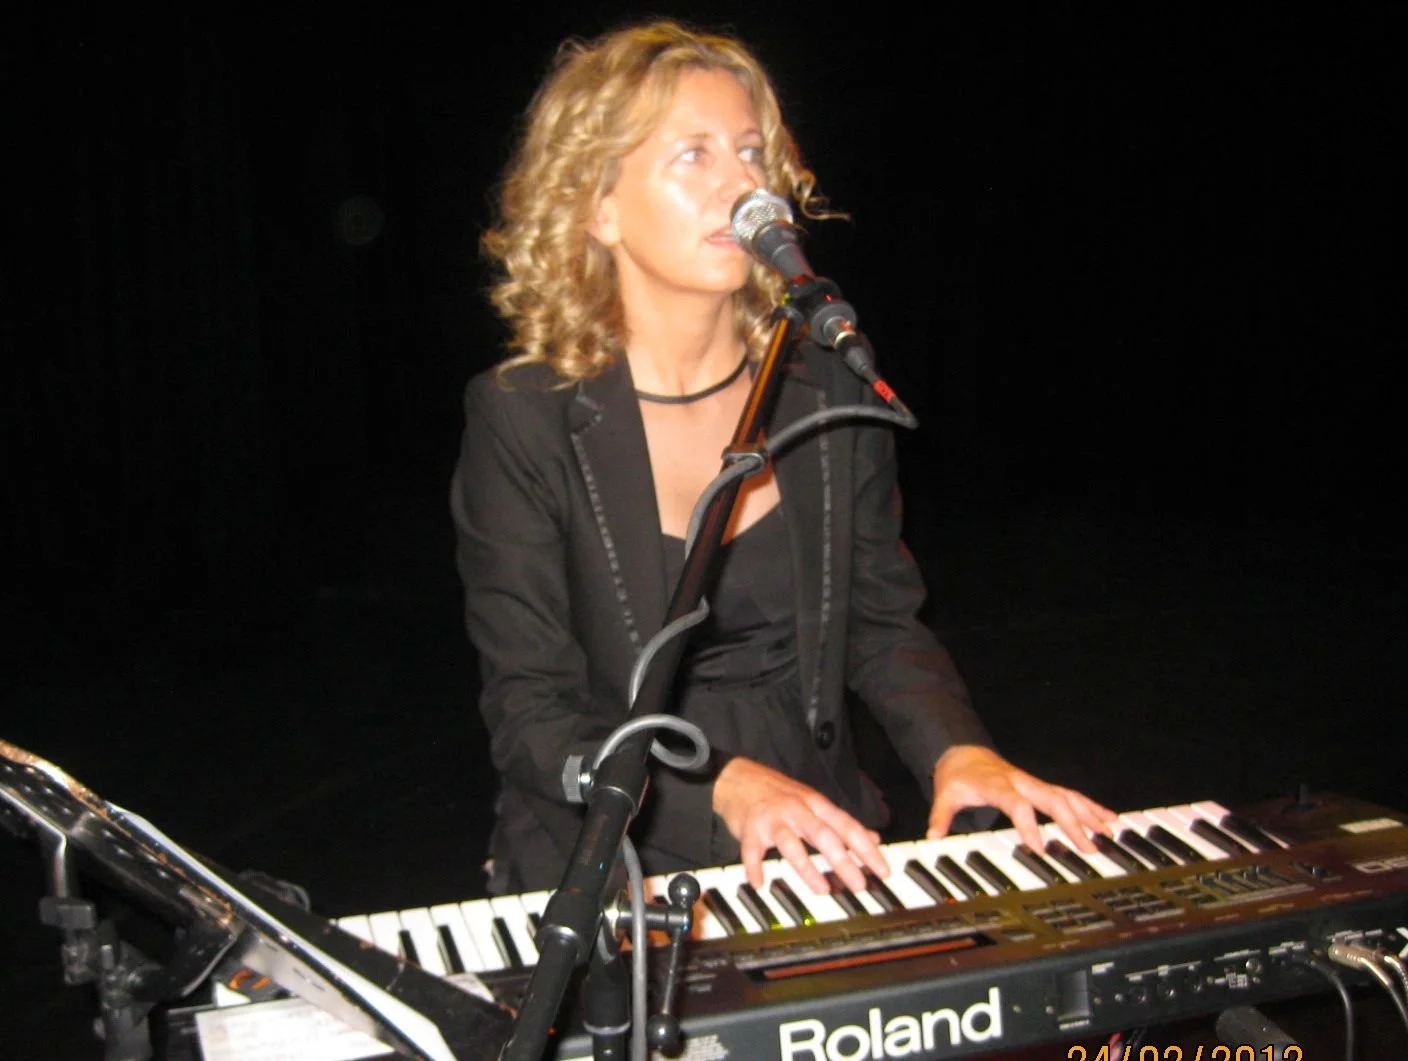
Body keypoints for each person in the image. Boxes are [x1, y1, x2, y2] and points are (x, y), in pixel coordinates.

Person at [451, 20, 1115, 898]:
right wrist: (720, 783)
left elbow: (881, 621)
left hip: (816, 834)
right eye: (693, 155)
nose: (742, 185)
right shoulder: (523, 417)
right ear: (597, 206)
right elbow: (532, 712)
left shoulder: (828, 382)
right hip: (610, 852)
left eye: (751, 152)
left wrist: (959, 750)